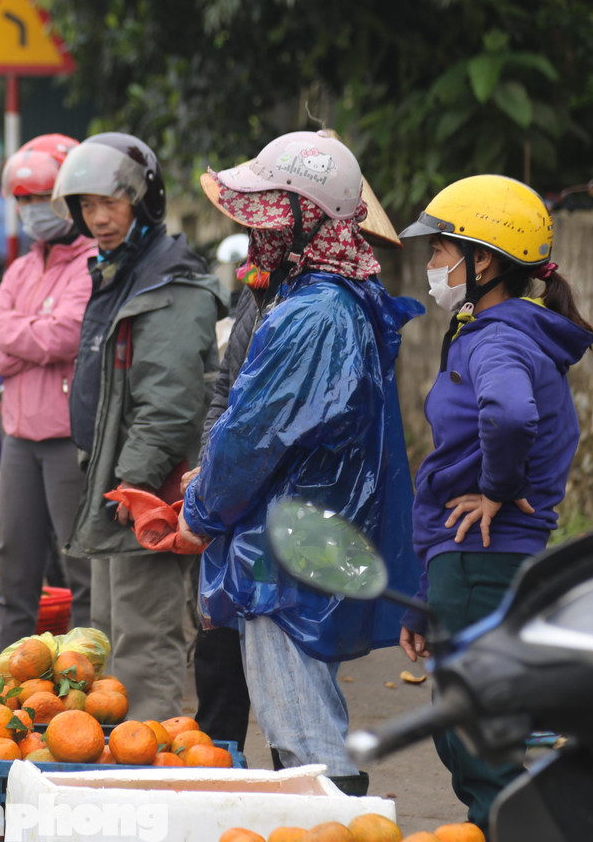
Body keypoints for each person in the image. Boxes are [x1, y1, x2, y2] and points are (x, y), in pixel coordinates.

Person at [178, 130, 422, 796]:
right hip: (304, 528)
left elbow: (254, 435)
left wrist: (200, 509)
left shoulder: (311, 313)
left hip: (286, 546)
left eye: (267, 218)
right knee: (302, 709)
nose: (255, 237)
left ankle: (337, 818)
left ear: (306, 219)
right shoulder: (337, 297)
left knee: (302, 725)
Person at [396, 174, 593, 830]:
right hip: (468, 564)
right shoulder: (493, 330)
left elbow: (509, 416)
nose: (431, 265)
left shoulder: (500, 337)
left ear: (481, 260)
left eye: (439, 251)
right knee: (470, 737)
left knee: (482, 744)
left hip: (484, 556)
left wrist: (497, 489)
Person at [53, 132, 227, 721]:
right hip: (115, 484)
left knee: (143, 640)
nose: (97, 218)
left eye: (111, 203)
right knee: (108, 633)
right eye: (86, 206)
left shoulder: (169, 284)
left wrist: (135, 482)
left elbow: (170, 401)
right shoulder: (120, 271)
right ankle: (115, 767)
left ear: (144, 201)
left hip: (143, 490)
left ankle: (147, 769)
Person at [0, 134, 97, 669]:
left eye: (40, 198)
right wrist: (25, 336)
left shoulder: (92, 263)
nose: (29, 211)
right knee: (13, 572)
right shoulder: (23, 268)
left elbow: (65, 336)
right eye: (21, 199)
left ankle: (87, 693)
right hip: (19, 438)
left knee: (83, 572)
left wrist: (13, 334)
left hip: (68, 439)